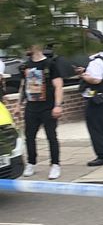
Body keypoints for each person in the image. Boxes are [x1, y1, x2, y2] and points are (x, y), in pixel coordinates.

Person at [14, 44, 64, 179]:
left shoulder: (50, 64)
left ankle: (55, 164)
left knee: (51, 136)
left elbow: (58, 85)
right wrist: (19, 105)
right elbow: (23, 86)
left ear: (37, 46)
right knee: (29, 136)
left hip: (48, 107)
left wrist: (58, 105)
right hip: (31, 107)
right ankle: (31, 163)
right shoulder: (25, 66)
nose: (27, 48)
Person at [77, 51, 103, 166]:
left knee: (96, 128)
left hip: (97, 99)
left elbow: (96, 80)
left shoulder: (96, 62)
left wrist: (83, 75)